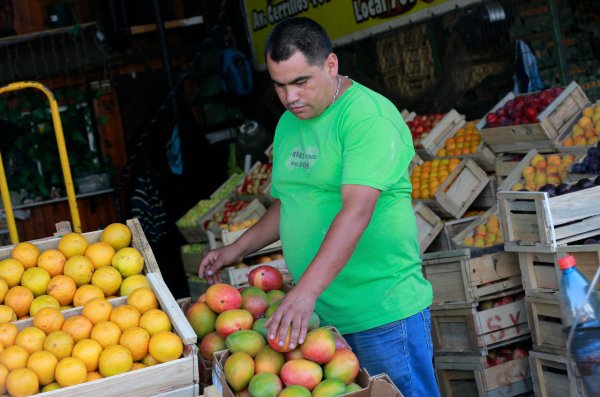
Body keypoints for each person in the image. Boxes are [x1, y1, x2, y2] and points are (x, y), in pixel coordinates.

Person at [198, 16, 439, 397]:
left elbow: (356, 211)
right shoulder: (288, 125)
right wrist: (235, 250)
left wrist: (304, 291)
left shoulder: (367, 119)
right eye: (279, 85)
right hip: (319, 325)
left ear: (331, 65)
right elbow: (291, 203)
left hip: (381, 314)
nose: (290, 97)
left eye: (300, 82)